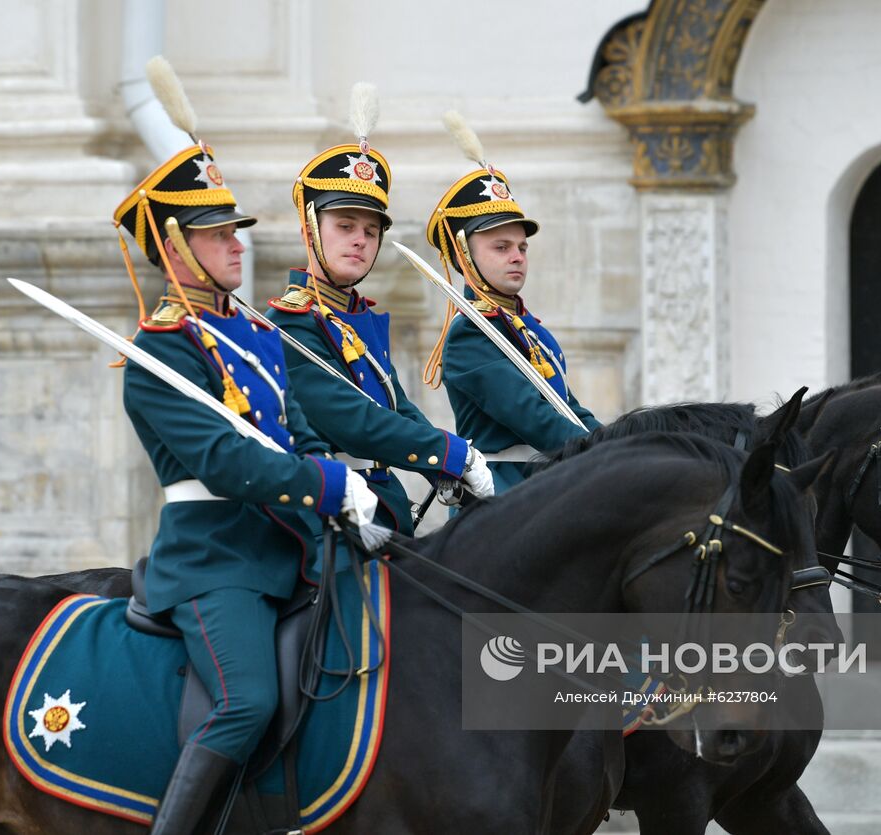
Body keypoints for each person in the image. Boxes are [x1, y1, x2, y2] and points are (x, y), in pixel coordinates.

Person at [114, 57, 377, 835]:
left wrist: (349, 484)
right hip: (214, 558)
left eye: (233, 230)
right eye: (214, 233)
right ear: (173, 247)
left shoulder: (254, 335)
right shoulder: (159, 353)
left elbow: (293, 433)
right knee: (247, 699)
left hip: (288, 542)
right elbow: (226, 464)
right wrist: (324, 485)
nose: (234, 244)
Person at [266, 84, 493, 535]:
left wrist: (447, 470)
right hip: (325, 519)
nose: (360, 240)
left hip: (384, 502)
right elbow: (353, 421)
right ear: (311, 229)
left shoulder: (356, 317)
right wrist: (446, 452)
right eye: (345, 226)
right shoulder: (291, 325)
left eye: (371, 231)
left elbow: (394, 405)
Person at [424, 113, 602, 493]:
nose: (518, 256)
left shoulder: (524, 327)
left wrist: (622, 443)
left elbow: (567, 409)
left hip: (541, 484)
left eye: (522, 247)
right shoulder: (470, 334)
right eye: (501, 247)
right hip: (504, 495)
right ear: (463, 254)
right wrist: (604, 458)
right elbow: (534, 418)